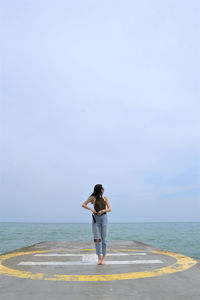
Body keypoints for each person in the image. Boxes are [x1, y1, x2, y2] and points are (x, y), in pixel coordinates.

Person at [82, 184, 111, 265]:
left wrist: (103, 211)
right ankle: (99, 258)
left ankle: (104, 258)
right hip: (96, 219)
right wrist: (92, 210)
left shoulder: (105, 198)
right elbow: (83, 204)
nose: (103, 189)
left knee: (104, 238)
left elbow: (109, 209)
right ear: (99, 189)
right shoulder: (93, 198)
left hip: (104, 218)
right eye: (102, 188)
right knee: (97, 239)